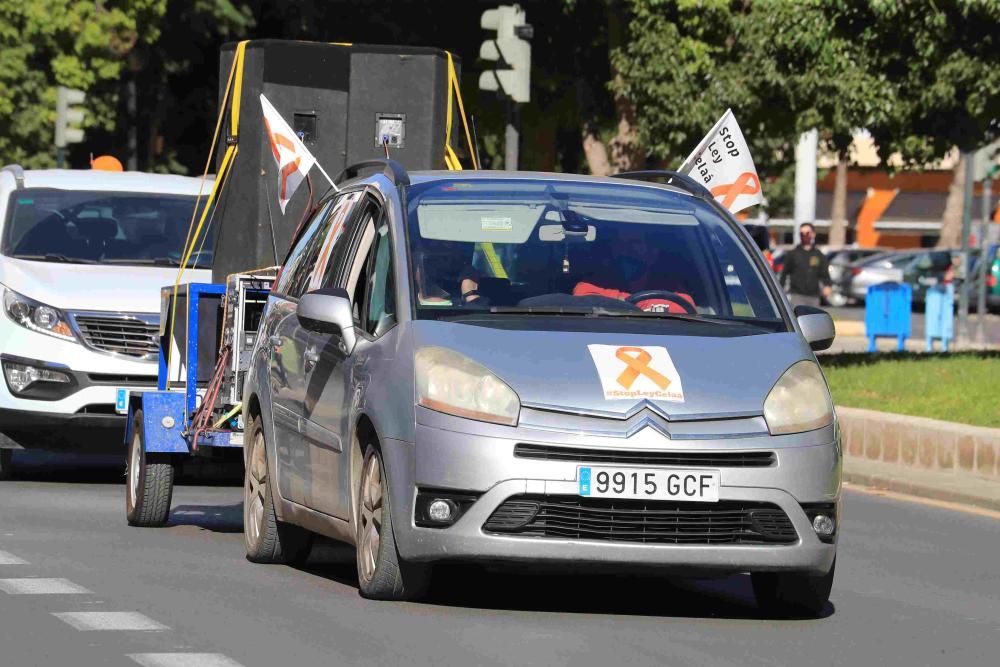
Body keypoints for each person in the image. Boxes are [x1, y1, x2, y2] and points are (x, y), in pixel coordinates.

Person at [572, 226, 696, 312]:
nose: (625, 249)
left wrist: (619, 303)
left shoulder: (668, 284)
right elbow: (584, 300)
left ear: (653, 252)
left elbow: (683, 306)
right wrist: (649, 305)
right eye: (619, 243)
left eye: (634, 243)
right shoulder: (596, 282)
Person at [779, 222, 832, 308]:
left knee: (813, 320)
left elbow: (824, 273)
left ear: (813, 234)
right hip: (797, 295)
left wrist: (828, 285)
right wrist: (780, 290)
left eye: (807, 233)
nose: (804, 235)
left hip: (814, 296)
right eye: (802, 233)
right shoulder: (793, 254)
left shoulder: (818, 255)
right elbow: (784, 274)